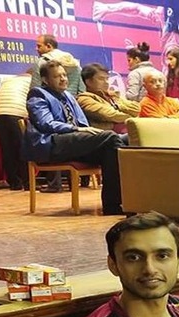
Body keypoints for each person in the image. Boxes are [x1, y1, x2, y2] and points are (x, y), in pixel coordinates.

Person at [23, 61, 124, 214]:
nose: (63, 79)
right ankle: (113, 205)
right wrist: (76, 129)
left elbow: (82, 123)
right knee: (110, 138)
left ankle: (120, 203)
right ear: (45, 80)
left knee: (123, 141)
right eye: (57, 76)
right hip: (51, 143)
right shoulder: (38, 94)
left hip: (72, 142)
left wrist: (87, 132)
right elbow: (46, 124)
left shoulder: (68, 96)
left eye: (64, 75)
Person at [0, 72, 32, 191]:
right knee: (23, 149)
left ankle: (14, 183)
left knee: (7, 150)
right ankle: (28, 183)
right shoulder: (32, 81)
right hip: (16, 112)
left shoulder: (8, 81)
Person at [77, 63, 140, 133]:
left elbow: (136, 109)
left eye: (107, 78)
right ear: (88, 82)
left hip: (123, 131)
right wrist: (134, 119)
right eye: (101, 79)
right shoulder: (84, 99)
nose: (106, 82)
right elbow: (112, 115)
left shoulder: (111, 96)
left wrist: (117, 103)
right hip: (106, 135)